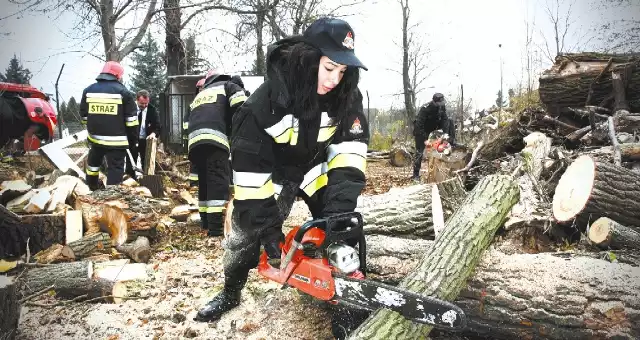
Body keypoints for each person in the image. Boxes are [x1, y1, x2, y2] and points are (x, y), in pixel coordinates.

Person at [194, 17, 370, 339]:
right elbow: (249, 174)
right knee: (245, 236)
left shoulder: (346, 97)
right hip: (271, 172)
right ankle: (230, 291)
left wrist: (336, 213)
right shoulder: (263, 104)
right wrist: (267, 229)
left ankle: (347, 303)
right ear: (308, 57)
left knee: (343, 225)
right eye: (329, 68)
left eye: (342, 71)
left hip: (316, 166)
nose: (335, 79)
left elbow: (349, 155)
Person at [187, 69, 248, 236]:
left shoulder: (201, 94)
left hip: (194, 142)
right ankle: (216, 229)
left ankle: (205, 222)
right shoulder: (229, 86)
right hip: (214, 139)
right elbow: (242, 109)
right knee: (217, 182)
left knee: (205, 183)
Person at [80, 61, 138, 190]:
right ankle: (111, 197)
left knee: (93, 166)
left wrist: (93, 127)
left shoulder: (88, 91)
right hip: (117, 142)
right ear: (118, 75)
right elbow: (132, 122)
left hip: (95, 139)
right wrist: (132, 141)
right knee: (115, 168)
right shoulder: (124, 92)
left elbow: (84, 117)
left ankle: (91, 189)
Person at [411, 92, 455, 181]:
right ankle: (415, 174)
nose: (440, 105)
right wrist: (425, 139)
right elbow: (419, 126)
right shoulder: (425, 109)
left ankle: (452, 141)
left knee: (450, 121)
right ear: (434, 102)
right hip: (422, 131)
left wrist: (445, 135)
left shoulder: (442, 107)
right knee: (419, 152)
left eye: (442, 103)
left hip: (434, 127)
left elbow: (445, 119)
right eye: (439, 103)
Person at [125, 90, 161, 178]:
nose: (144, 106)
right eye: (142, 104)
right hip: (132, 140)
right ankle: (130, 180)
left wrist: (153, 133)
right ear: (137, 100)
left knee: (147, 162)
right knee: (130, 163)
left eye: (146, 103)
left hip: (146, 140)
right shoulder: (129, 108)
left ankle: (147, 180)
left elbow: (157, 125)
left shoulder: (152, 110)